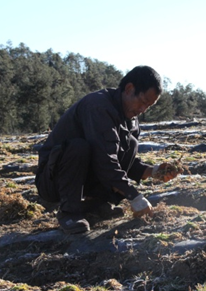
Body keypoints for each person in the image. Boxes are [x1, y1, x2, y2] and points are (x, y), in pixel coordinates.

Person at [35, 66, 181, 234]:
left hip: (85, 175)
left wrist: (153, 171)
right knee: (78, 148)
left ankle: (96, 205)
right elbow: (105, 159)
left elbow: (125, 160)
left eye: (148, 106)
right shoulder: (98, 106)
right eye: (142, 102)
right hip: (52, 180)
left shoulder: (131, 119)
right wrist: (134, 196)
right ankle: (69, 212)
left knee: (131, 143)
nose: (142, 110)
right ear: (129, 89)